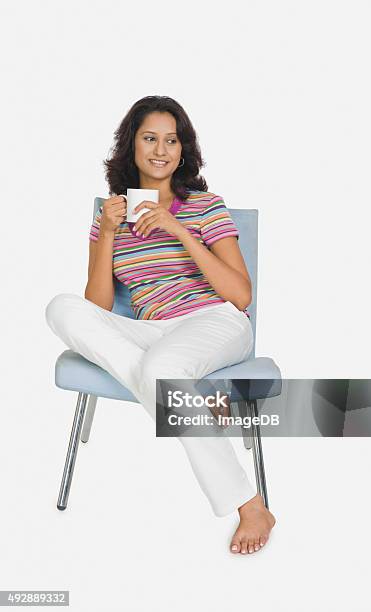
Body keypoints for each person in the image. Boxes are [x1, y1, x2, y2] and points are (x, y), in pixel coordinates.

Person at [45, 95, 276, 554]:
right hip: (151, 331)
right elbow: (97, 307)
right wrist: (108, 232)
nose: (160, 150)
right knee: (61, 307)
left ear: (182, 149)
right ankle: (186, 400)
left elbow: (241, 294)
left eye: (171, 140)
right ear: (131, 145)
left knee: (159, 370)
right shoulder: (108, 217)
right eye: (150, 138)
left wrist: (180, 231)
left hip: (214, 321)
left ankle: (250, 505)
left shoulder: (206, 206)